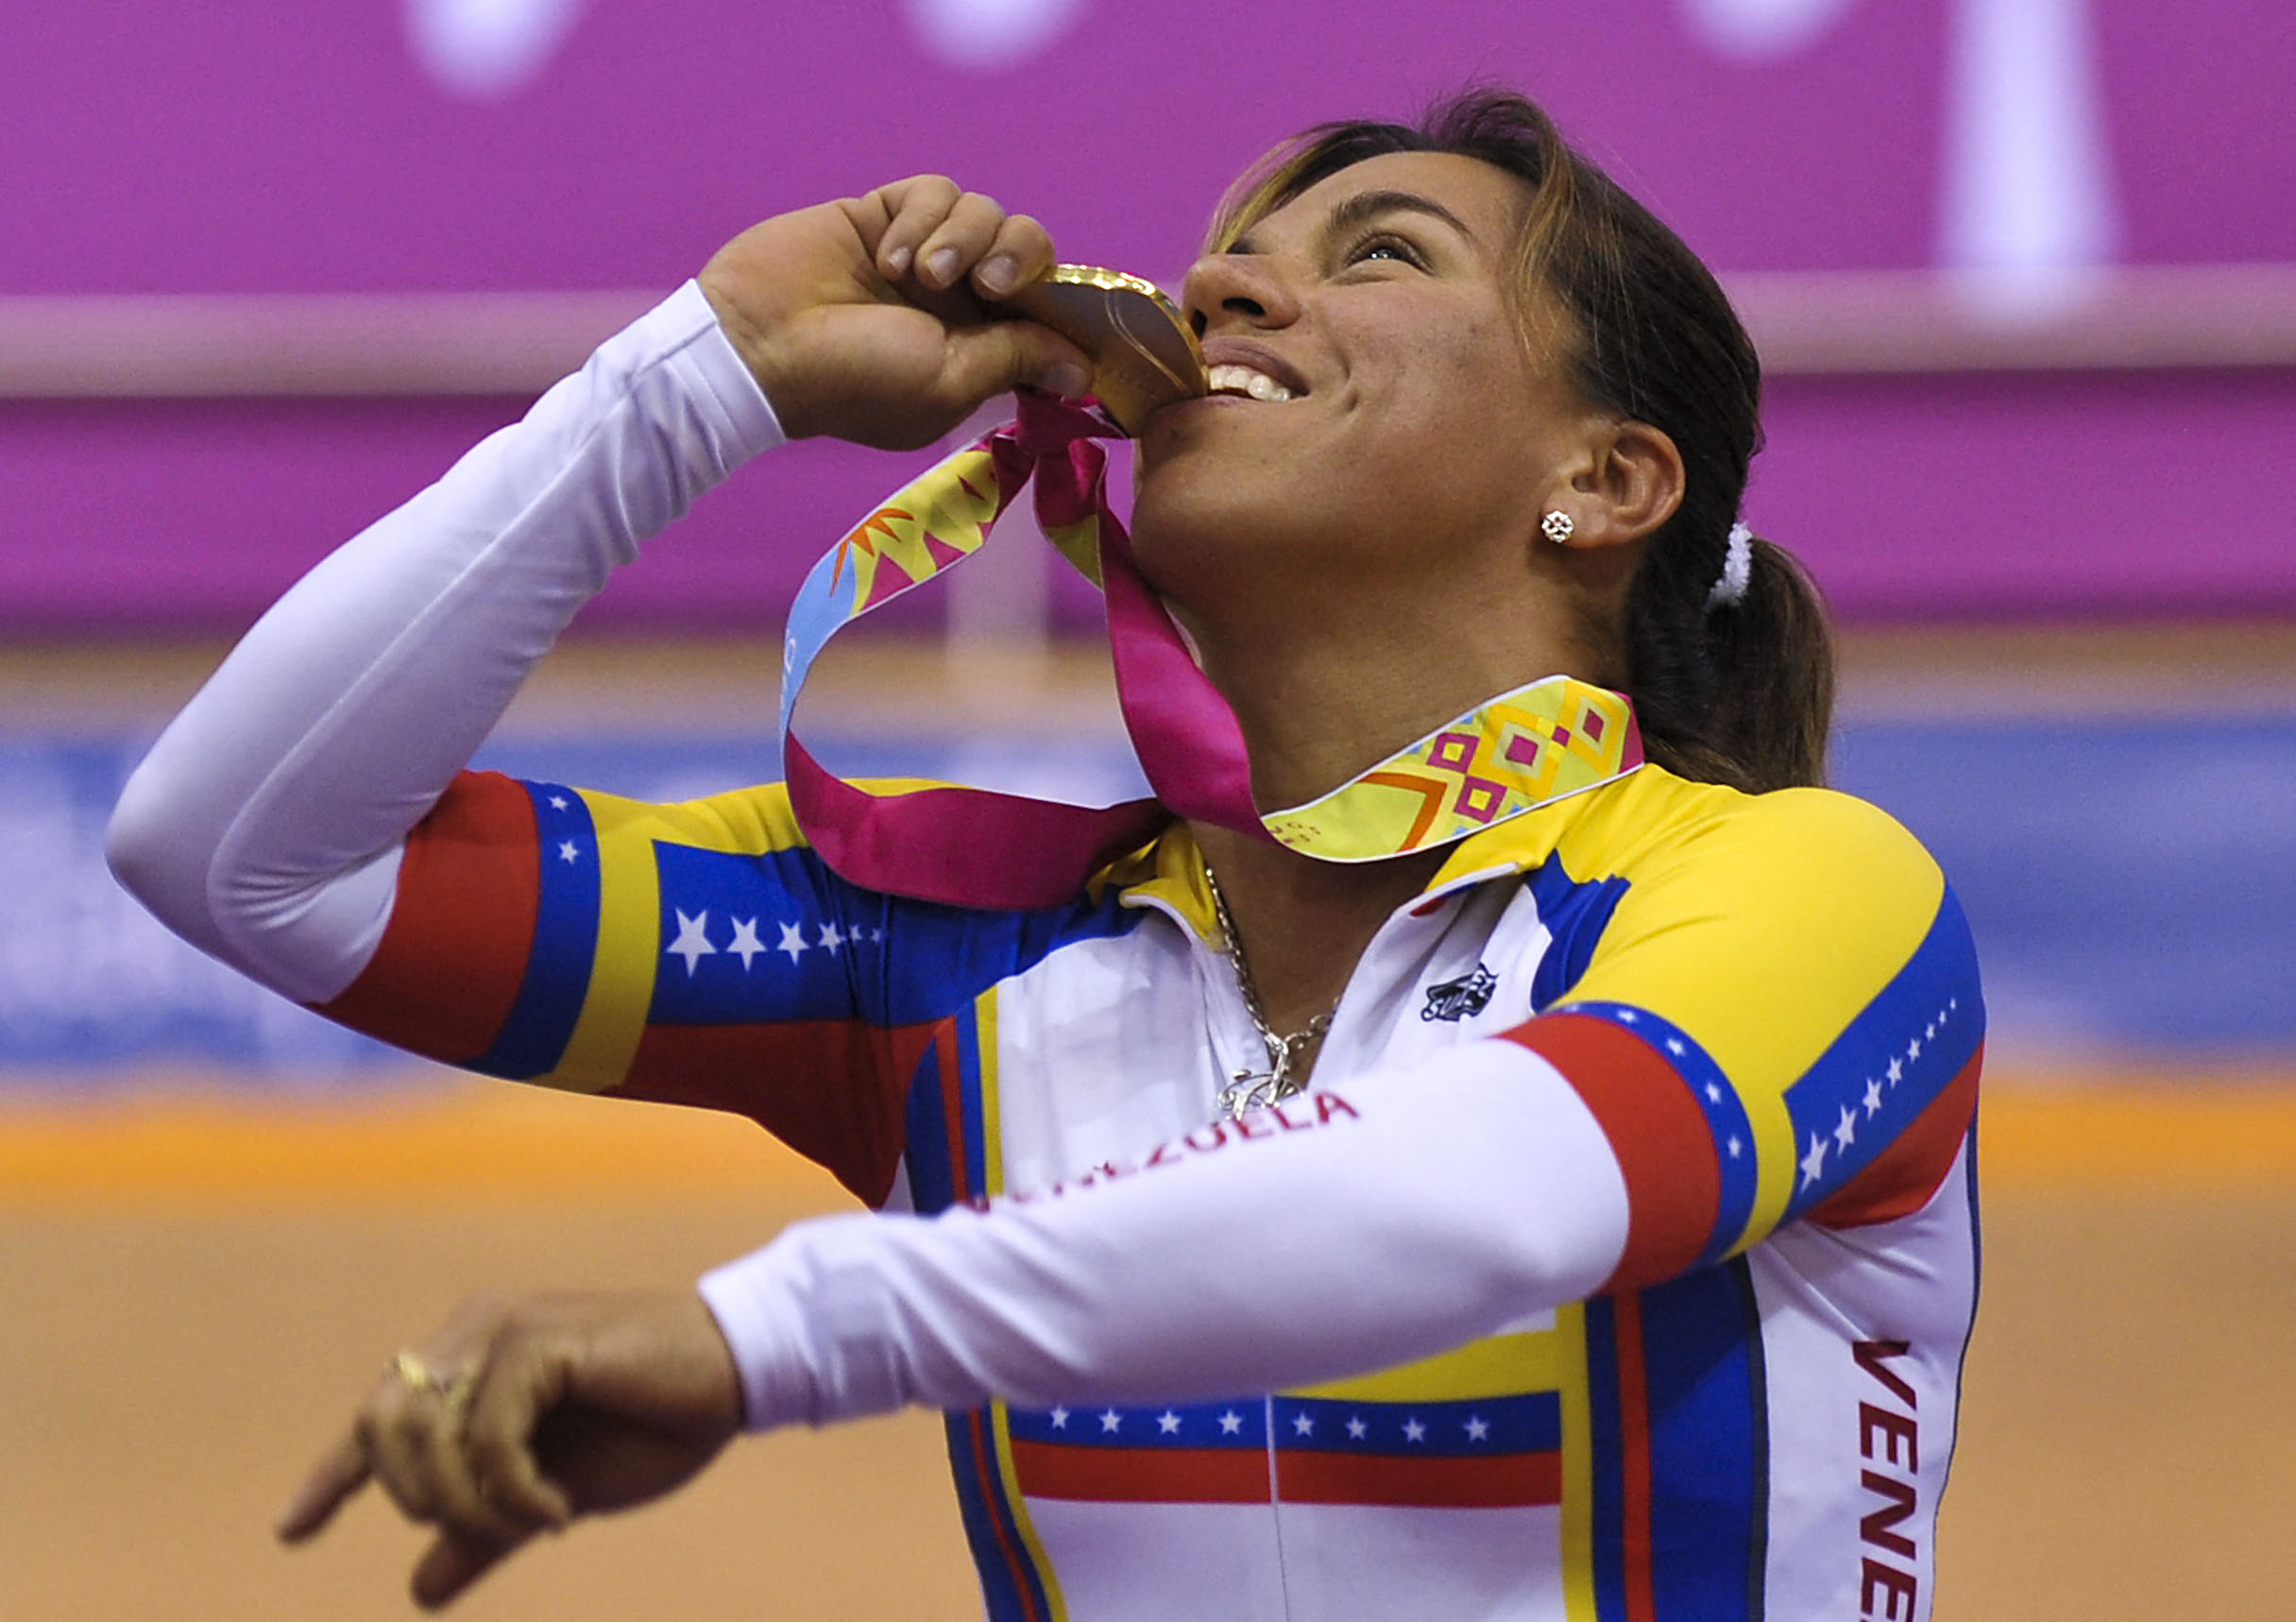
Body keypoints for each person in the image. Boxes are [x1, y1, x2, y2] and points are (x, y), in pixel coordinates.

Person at [109, 90, 1981, 1622]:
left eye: (1381, 253)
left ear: (1605, 481)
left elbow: (1483, 1201)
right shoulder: (952, 950)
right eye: (1235, 250)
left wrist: (769, 1331)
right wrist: (710, 377)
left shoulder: (1809, 890)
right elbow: (244, 853)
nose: (1231, 284)